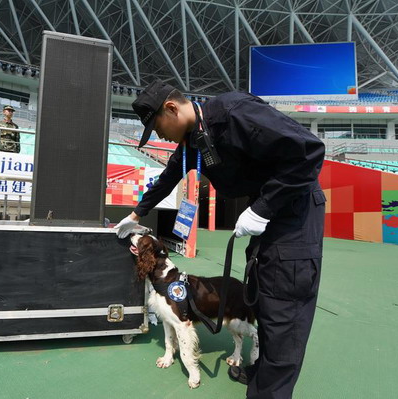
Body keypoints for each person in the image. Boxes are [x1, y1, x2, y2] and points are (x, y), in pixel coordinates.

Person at [115, 79, 326, 399]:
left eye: (157, 128)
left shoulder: (235, 112)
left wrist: (262, 208)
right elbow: (168, 177)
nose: (159, 137)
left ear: (171, 108)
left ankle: (269, 392)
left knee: (283, 311)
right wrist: (135, 214)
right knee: (263, 300)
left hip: (292, 213)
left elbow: (308, 153)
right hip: (268, 215)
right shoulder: (192, 141)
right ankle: (260, 373)